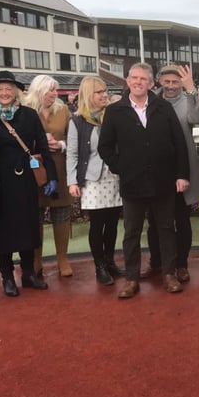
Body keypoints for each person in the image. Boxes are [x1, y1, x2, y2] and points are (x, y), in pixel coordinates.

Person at [98, 62, 189, 299]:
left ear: (150, 83)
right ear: (127, 81)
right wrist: (122, 168)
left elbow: (179, 142)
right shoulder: (115, 111)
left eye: (143, 79)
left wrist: (181, 174)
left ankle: (169, 274)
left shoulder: (164, 108)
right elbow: (105, 147)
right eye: (134, 78)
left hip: (163, 181)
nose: (138, 82)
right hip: (133, 183)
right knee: (131, 233)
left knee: (167, 229)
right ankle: (131, 278)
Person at [0, 71, 58, 297]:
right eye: (0, 90)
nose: (5, 93)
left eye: (9, 89)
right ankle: (7, 276)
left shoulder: (29, 114)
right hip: (0, 180)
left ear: (16, 92)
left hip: (25, 178)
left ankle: (28, 274)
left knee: (28, 227)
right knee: (3, 230)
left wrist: (51, 176)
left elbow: (42, 146)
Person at [146, 65, 199, 282]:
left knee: (181, 219)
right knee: (155, 221)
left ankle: (181, 264)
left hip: (183, 167)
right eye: (167, 82)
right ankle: (156, 262)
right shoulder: (151, 100)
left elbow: (196, 119)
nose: (171, 86)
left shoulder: (187, 101)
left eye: (175, 82)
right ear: (160, 81)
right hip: (157, 170)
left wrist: (192, 91)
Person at [67, 76, 125, 286]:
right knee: (97, 224)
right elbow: (72, 153)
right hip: (92, 179)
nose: (104, 95)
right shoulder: (77, 121)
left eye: (105, 91)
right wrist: (72, 181)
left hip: (114, 175)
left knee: (112, 223)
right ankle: (99, 265)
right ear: (88, 95)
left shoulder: (113, 115)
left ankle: (110, 262)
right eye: (99, 92)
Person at [23, 75, 76, 278]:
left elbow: (73, 139)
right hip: (34, 170)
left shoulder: (63, 110)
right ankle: (36, 260)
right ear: (38, 91)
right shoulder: (25, 112)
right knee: (34, 216)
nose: (55, 94)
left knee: (61, 213)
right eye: (50, 90)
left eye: (56, 90)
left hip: (59, 168)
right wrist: (39, 144)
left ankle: (62, 258)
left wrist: (61, 145)